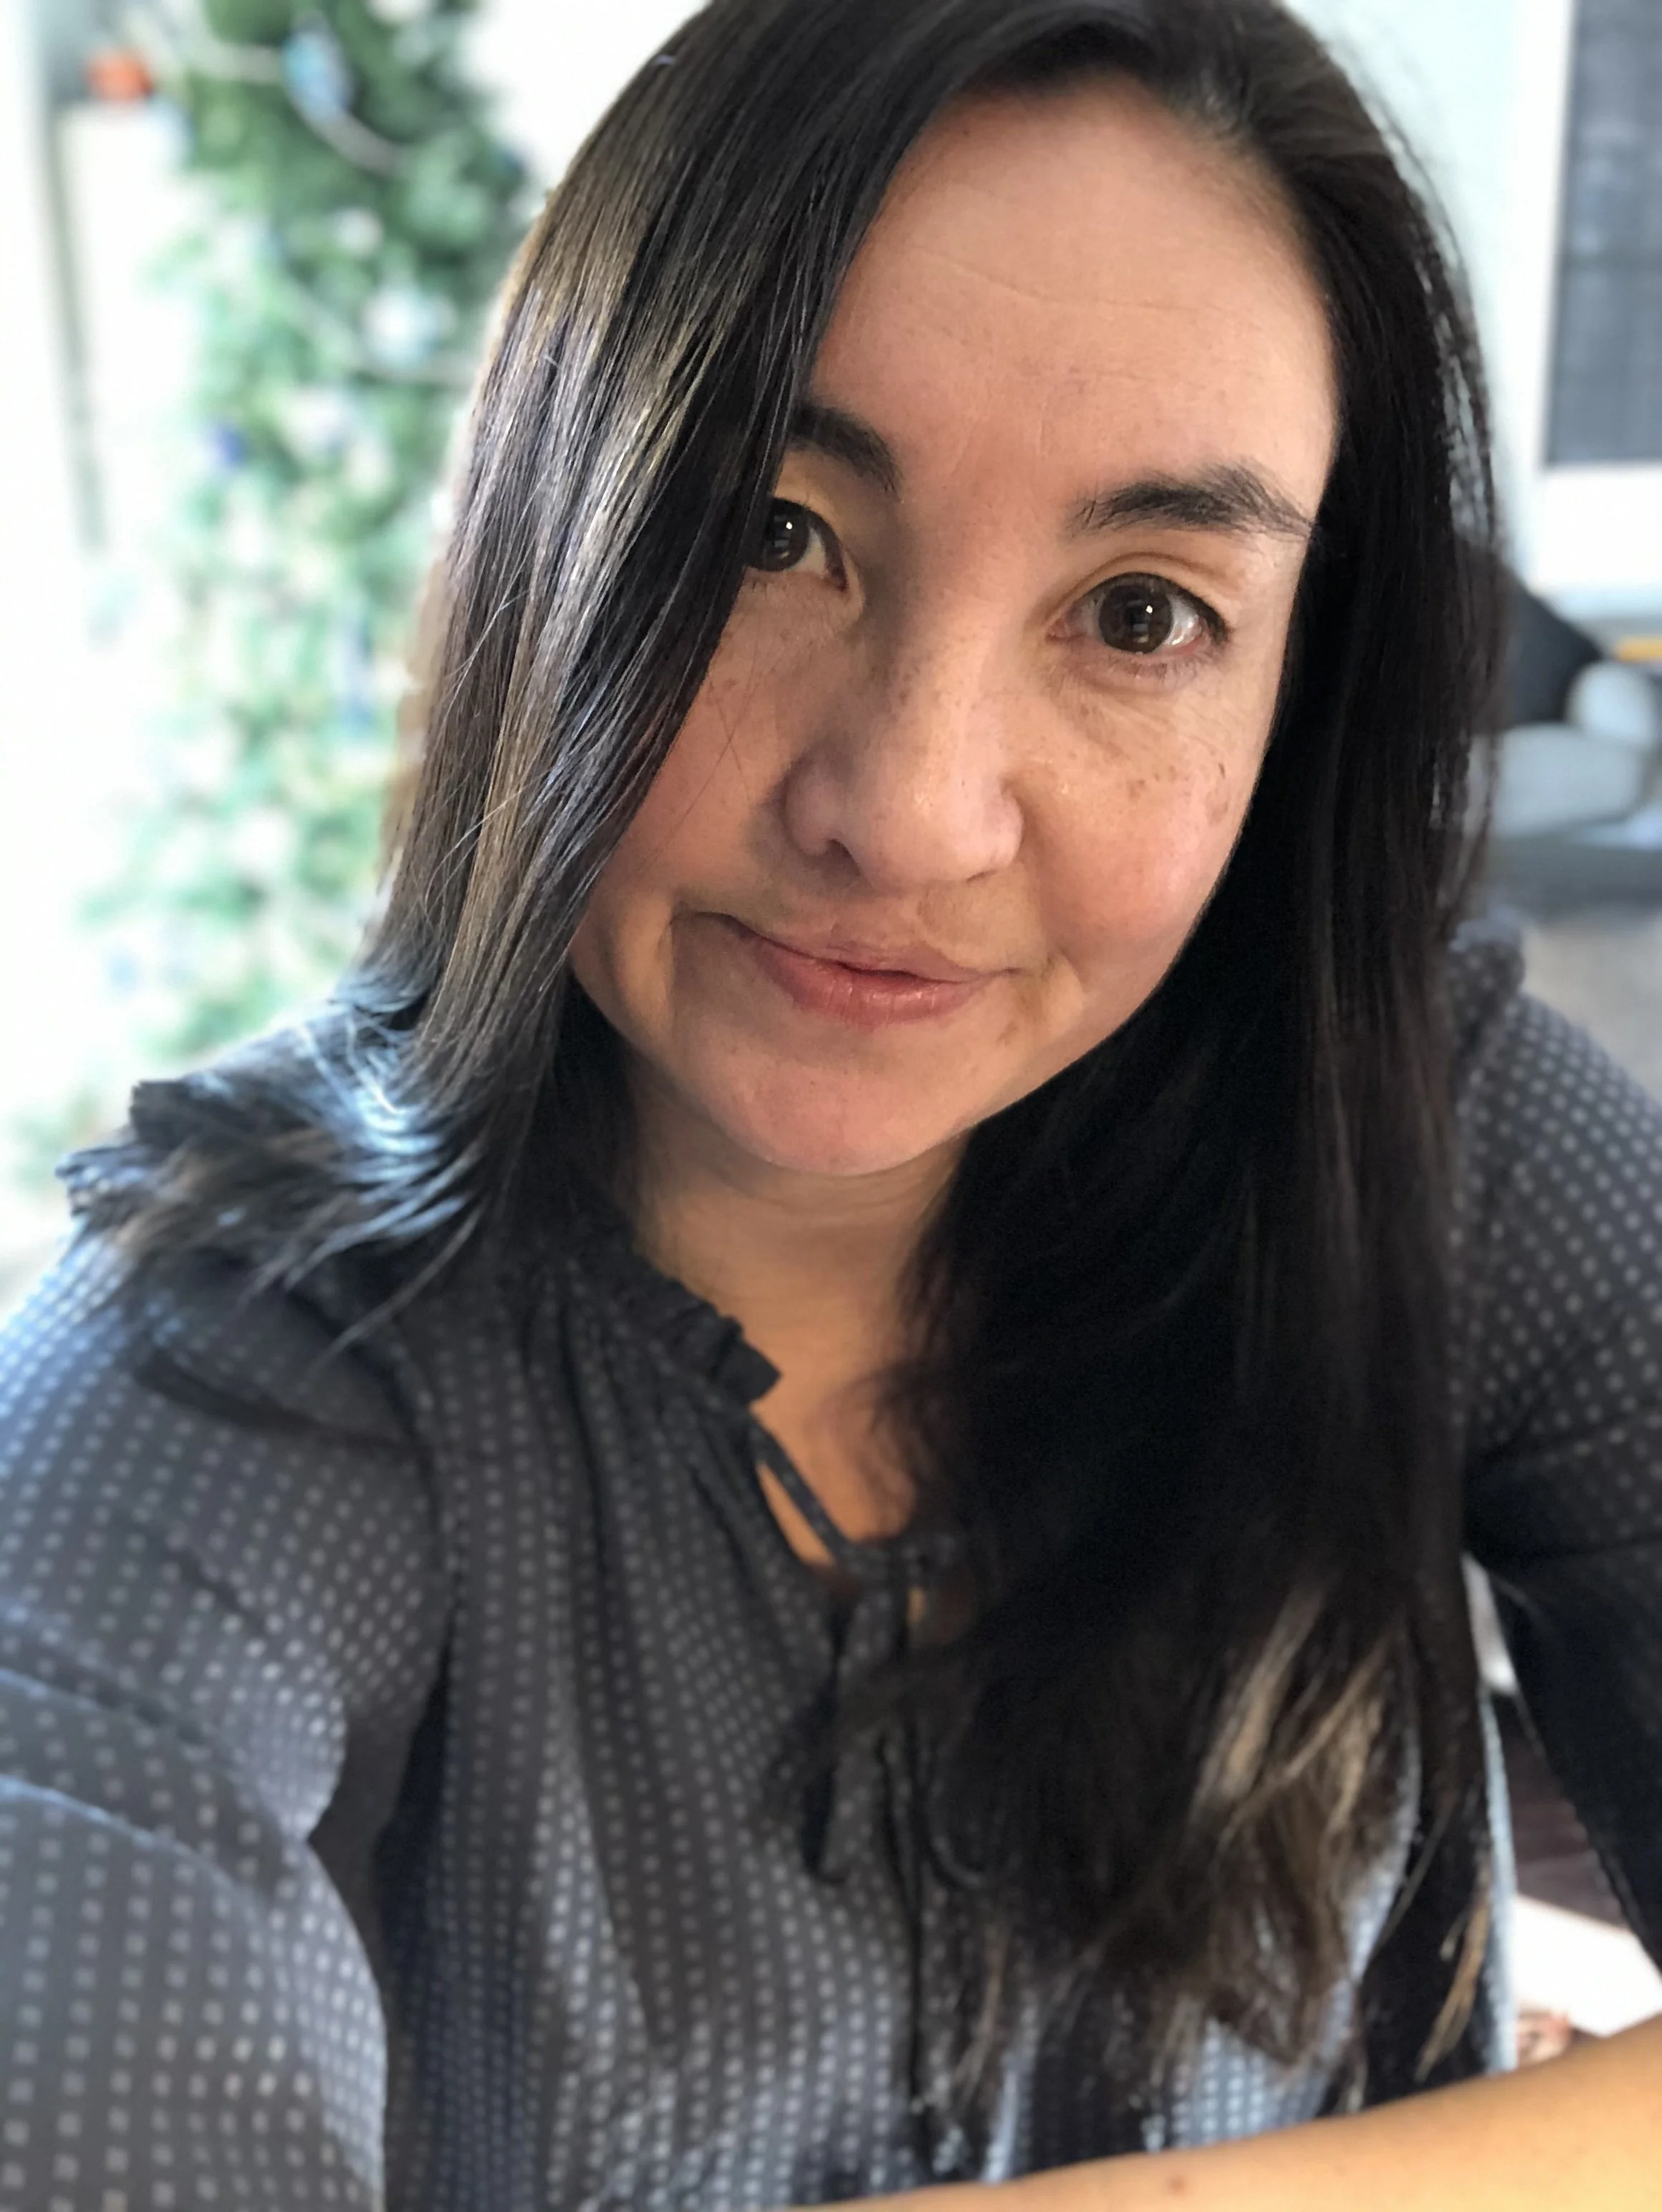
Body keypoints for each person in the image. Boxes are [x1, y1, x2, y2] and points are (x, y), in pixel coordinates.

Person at [0, 0, 1658, 2204]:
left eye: (1144, 612)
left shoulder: (1420, 1132)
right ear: (546, 537)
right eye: (779, 533)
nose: (907, 808)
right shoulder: (199, 1397)